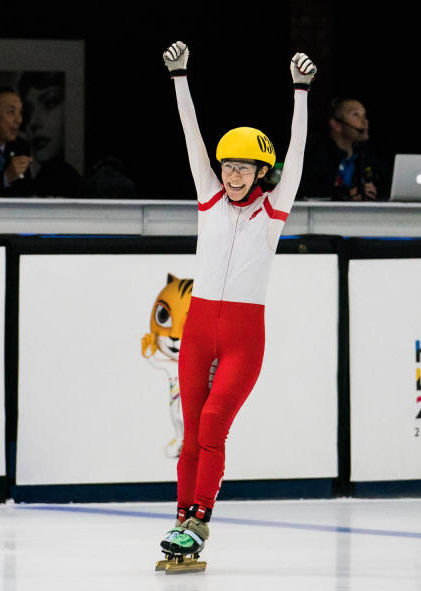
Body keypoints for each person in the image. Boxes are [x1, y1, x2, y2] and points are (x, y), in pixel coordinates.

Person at [156, 40, 316, 571]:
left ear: (262, 173)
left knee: (214, 421)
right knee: (189, 433)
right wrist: (180, 77)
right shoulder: (208, 197)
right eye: (227, 167)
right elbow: (191, 137)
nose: (230, 175)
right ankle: (180, 520)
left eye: (243, 168)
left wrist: (300, 92)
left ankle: (199, 521)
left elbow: (296, 153)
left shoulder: (274, 211)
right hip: (200, 325)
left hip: (244, 333)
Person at [297, 97, 389, 201]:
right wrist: (347, 194)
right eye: (355, 114)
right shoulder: (317, 155)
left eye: (364, 116)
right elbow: (304, 191)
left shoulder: (366, 154)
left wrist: (372, 192)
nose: (364, 121)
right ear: (336, 125)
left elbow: (388, 185)